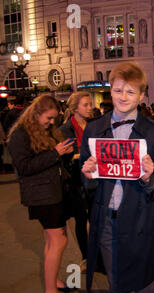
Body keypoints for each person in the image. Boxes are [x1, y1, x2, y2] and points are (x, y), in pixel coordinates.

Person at [80, 62, 154, 293]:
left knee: (144, 285)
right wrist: (88, 176)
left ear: (141, 95)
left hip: (141, 219)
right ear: (110, 91)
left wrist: (149, 178)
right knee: (116, 283)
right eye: (118, 90)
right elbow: (86, 185)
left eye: (130, 92)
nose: (123, 96)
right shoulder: (93, 129)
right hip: (106, 219)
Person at [7, 95, 75, 293]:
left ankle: (53, 281)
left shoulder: (46, 130)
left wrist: (65, 152)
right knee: (59, 240)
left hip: (54, 191)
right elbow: (24, 167)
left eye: (55, 118)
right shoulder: (20, 134)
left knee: (52, 240)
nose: (52, 122)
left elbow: (54, 160)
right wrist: (55, 153)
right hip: (41, 195)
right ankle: (50, 291)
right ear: (37, 113)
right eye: (50, 117)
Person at [59, 91, 94, 271]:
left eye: (90, 104)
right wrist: (76, 156)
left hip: (94, 180)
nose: (90, 108)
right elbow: (62, 160)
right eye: (86, 105)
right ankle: (86, 257)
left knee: (95, 218)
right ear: (75, 108)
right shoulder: (64, 130)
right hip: (75, 182)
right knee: (81, 220)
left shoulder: (93, 126)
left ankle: (97, 255)